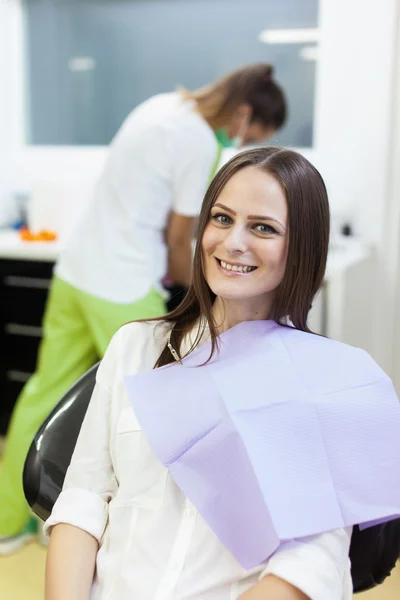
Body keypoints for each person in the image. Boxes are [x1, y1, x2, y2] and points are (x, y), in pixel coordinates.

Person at [43, 147, 400, 599]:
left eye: (263, 227)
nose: (232, 242)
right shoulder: (137, 348)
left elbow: (309, 567)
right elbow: (84, 499)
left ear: (303, 245)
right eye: (222, 218)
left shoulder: (327, 385)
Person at [0, 64, 287, 553]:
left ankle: (10, 523)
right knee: (156, 412)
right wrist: (193, 291)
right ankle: (135, 533)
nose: (241, 140)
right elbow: (181, 238)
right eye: (252, 132)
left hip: (77, 270)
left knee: (43, 392)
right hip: (123, 281)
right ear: (242, 113)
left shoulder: (161, 106)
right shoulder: (197, 140)